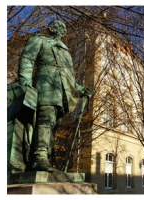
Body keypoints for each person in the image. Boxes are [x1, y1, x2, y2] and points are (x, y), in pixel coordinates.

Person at [18, 20, 92, 172]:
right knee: (45, 118)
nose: (61, 30)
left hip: (61, 93)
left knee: (53, 124)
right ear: (51, 28)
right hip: (45, 85)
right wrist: (25, 80)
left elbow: (69, 77)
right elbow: (27, 59)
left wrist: (81, 89)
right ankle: (39, 158)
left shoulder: (66, 52)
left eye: (63, 28)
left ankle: (46, 158)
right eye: (58, 26)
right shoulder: (40, 39)